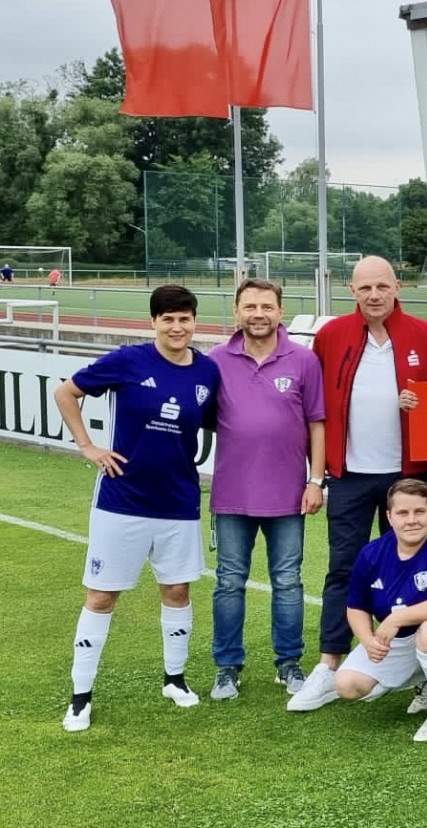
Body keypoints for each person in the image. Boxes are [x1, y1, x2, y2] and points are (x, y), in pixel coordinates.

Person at [53, 284, 221, 731]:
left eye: (184, 318)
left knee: (178, 592)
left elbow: (218, 422)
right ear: (153, 323)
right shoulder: (128, 360)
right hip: (121, 500)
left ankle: (175, 680)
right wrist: (87, 446)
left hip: (180, 502)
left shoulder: (207, 372)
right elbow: (66, 393)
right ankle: (80, 697)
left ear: (194, 322)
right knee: (102, 595)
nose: (177, 326)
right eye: (167, 318)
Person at [291, 256, 427, 712]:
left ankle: (419, 664)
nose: (374, 295)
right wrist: (318, 474)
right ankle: (328, 663)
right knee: (344, 568)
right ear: (351, 291)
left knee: (411, 573)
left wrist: (423, 407)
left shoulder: (426, 336)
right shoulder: (332, 335)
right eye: (364, 288)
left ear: (397, 286)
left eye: (382, 286)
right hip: (349, 475)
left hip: (407, 475)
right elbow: (316, 408)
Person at [208, 278, 326, 700]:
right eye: (250, 306)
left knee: (288, 581)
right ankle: (227, 668)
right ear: (237, 312)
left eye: (267, 307)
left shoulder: (304, 359)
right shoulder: (215, 360)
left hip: (289, 494)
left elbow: (317, 423)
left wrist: (316, 480)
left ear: (280, 311)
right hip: (232, 494)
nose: (259, 314)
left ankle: (289, 663)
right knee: (228, 582)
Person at [291, 480, 427, 743]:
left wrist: (398, 618)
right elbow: (356, 607)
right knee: (347, 684)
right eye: (403, 513)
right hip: (404, 639)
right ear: (389, 516)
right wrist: (368, 640)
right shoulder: (373, 553)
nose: (411, 520)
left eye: (419, 512)